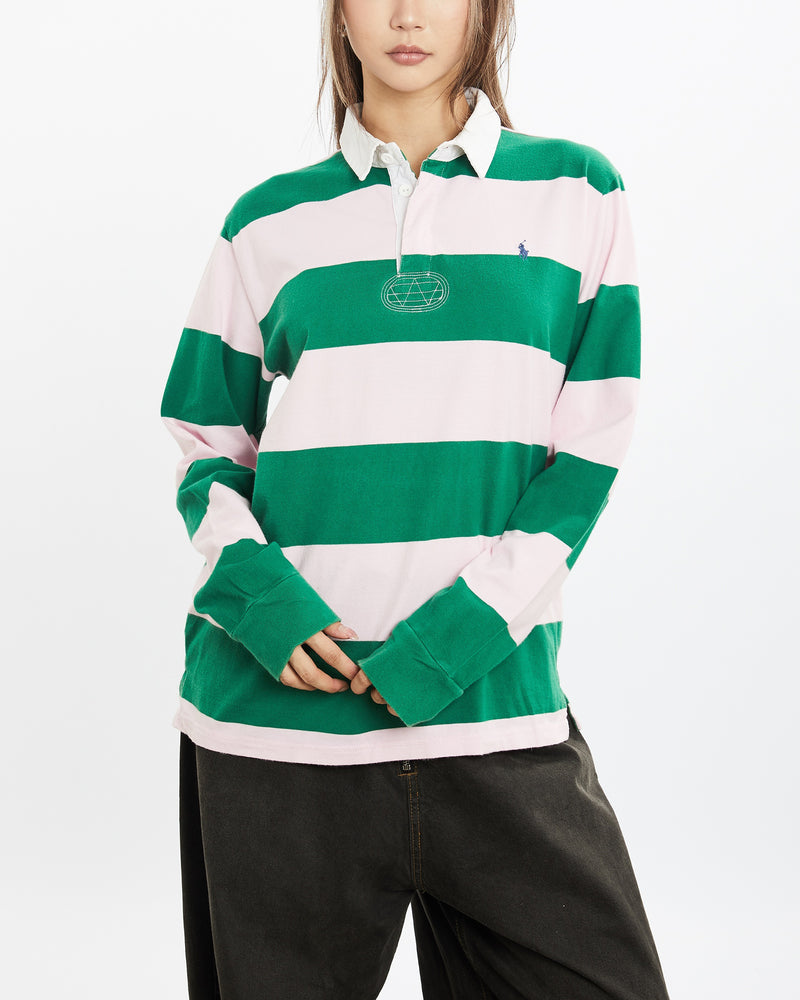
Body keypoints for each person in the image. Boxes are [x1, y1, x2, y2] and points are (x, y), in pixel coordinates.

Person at [161, 2, 672, 998]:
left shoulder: (576, 192)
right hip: (277, 731)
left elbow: (590, 447)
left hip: (491, 714)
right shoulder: (265, 221)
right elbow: (203, 439)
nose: (406, 14)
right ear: (339, 15)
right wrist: (263, 604)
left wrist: (456, 637)